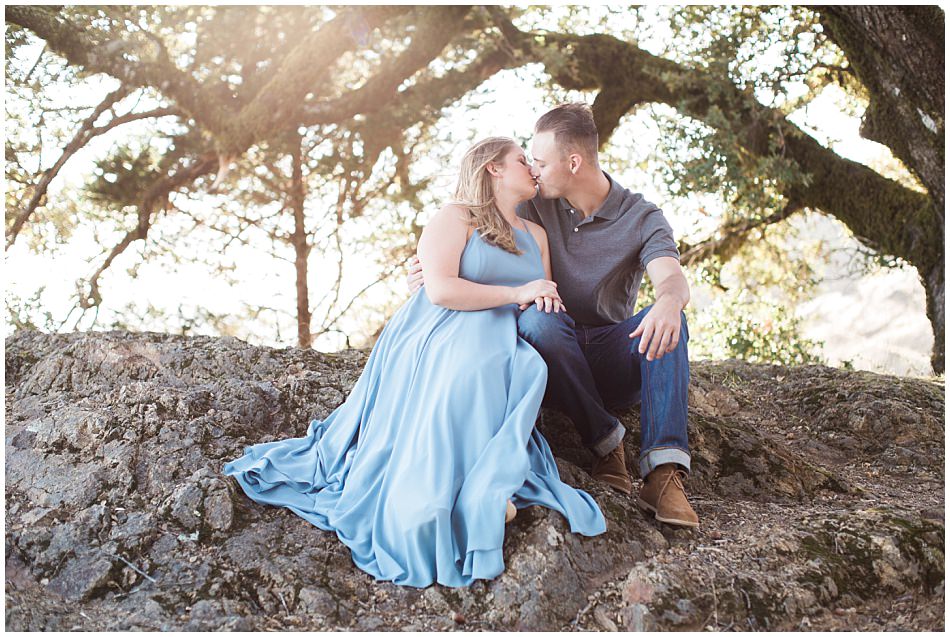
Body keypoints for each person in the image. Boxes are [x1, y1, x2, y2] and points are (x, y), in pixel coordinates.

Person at [223, 137, 606, 589]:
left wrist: (534, 299)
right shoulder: (455, 216)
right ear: (493, 170)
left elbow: (542, 294)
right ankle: (458, 496)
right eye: (522, 161)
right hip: (444, 327)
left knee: (530, 369)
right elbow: (440, 290)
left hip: (504, 333)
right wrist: (514, 294)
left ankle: (484, 487)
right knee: (469, 371)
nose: (532, 169)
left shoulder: (536, 234)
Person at [409, 104, 698, 528]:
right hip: (547, 352)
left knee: (668, 320)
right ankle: (606, 442)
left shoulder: (642, 217)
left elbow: (670, 278)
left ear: (573, 162)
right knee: (538, 321)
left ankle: (663, 474)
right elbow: (477, 232)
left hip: (606, 352)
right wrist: (427, 267)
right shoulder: (534, 206)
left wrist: (670, 302)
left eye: (540, 162)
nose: (534, 171)